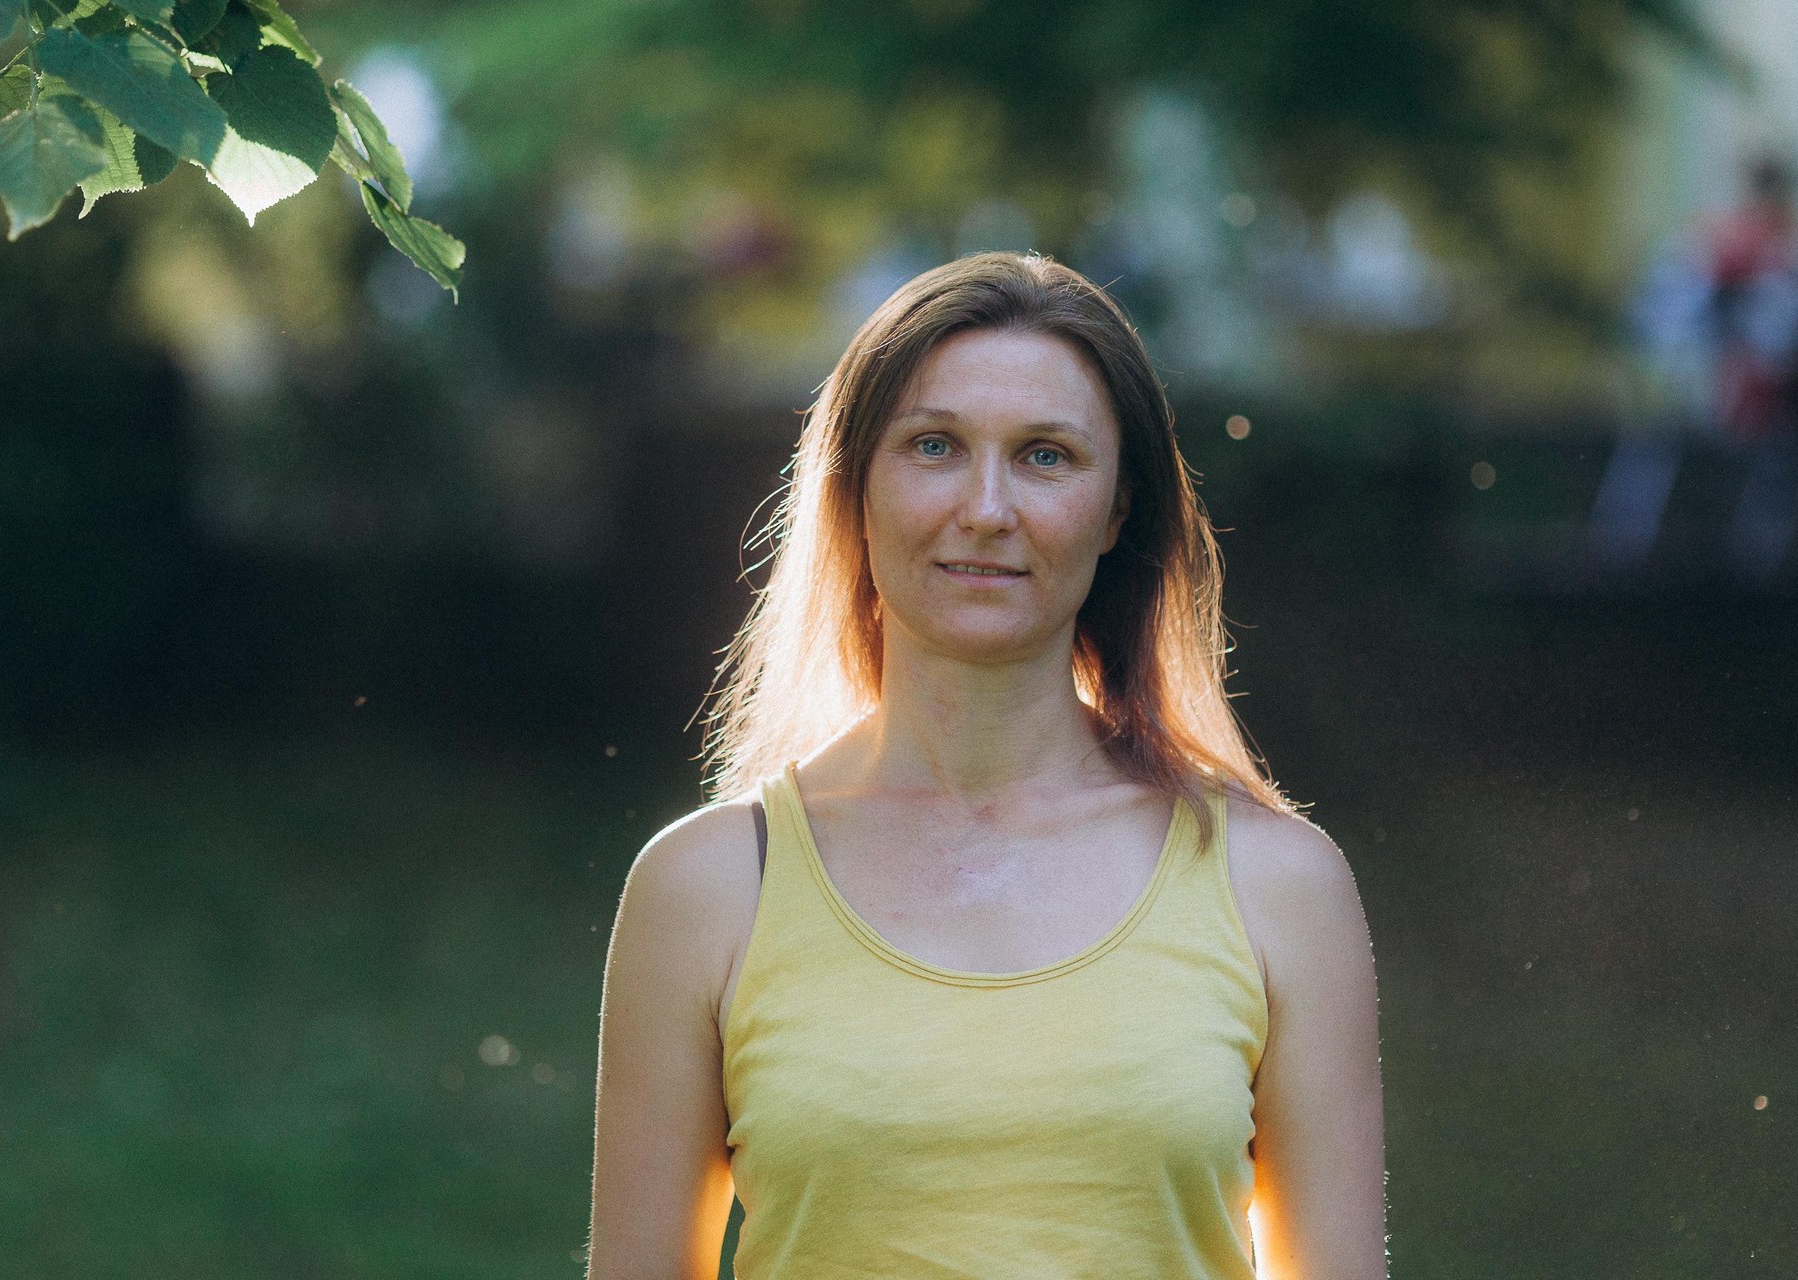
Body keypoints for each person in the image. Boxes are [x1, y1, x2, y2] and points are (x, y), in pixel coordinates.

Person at [588, 252, 1386, 1279]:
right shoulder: (705, 889)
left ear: (1119, 509)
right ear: (854, 488)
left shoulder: (1278, 885)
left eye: (1046, 456)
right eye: (934, 446)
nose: (987, 508)